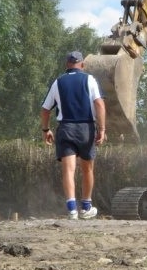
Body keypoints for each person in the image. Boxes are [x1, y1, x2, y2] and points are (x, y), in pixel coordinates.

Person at [40, 51, 106, 220]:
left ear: (66, 65)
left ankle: (71, 210)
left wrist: (46, 130)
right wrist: (102, 129)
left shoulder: (58, 82)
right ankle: (86, 207)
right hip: (86, 128)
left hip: (66, 127)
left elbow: (45, 109)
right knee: (87, 169)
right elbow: (99, 103)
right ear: (82, 64)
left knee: (68, 170)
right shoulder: (90, 80)